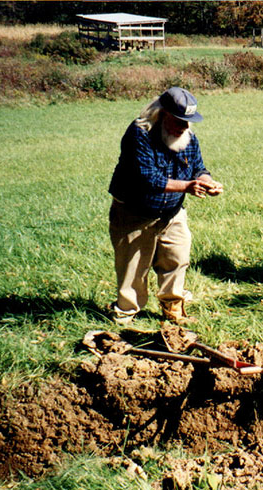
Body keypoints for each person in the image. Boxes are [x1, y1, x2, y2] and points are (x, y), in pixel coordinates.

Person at [108, 87, 223, 326]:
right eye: (178, 121)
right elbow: (146, 178)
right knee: (133, 267)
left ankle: (172, 306)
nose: (183, 127)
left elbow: (198, 168)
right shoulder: (140, 133)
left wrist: (206, 181)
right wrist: (187, 187)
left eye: (187, 122)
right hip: (134, 211)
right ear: (162, 114)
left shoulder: (188, 136)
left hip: (171, 211)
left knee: (177, 256)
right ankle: (127, 313)